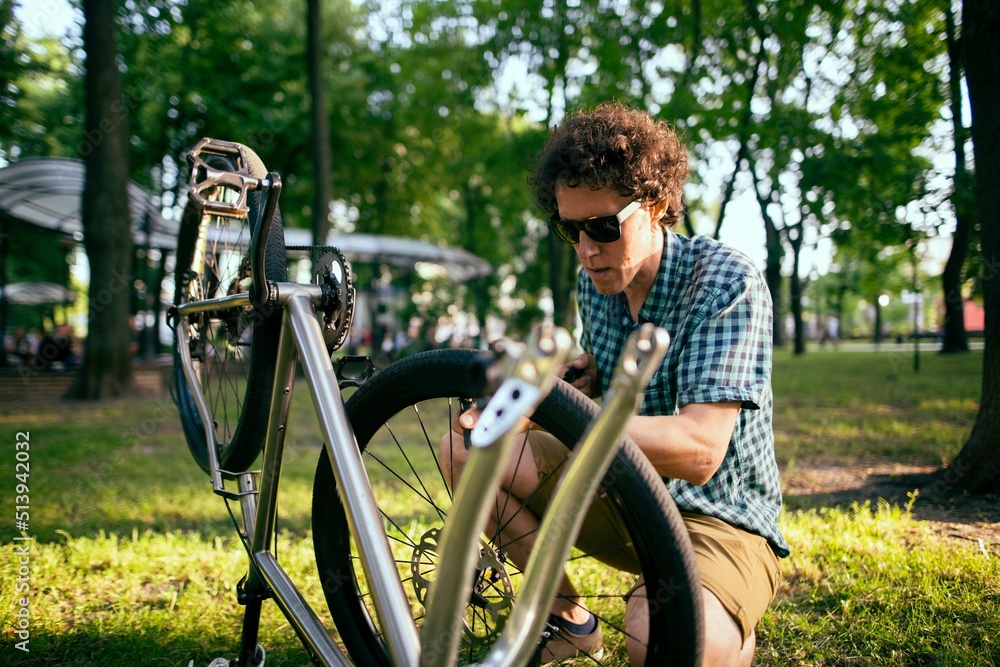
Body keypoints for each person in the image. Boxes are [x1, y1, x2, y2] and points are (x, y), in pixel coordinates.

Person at [441, 102, 788, 666]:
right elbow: (610, 371)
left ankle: (725, 620)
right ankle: (569, 619)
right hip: (625, 493)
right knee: (468, 449)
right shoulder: (597, 284)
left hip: (718, 517)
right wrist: (569, 379)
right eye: (569, 228)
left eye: (602, 227)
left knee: (658, 634)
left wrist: (560, 411)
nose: (585, 249)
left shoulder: (726, 281)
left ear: (654, 205)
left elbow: (701, 450)